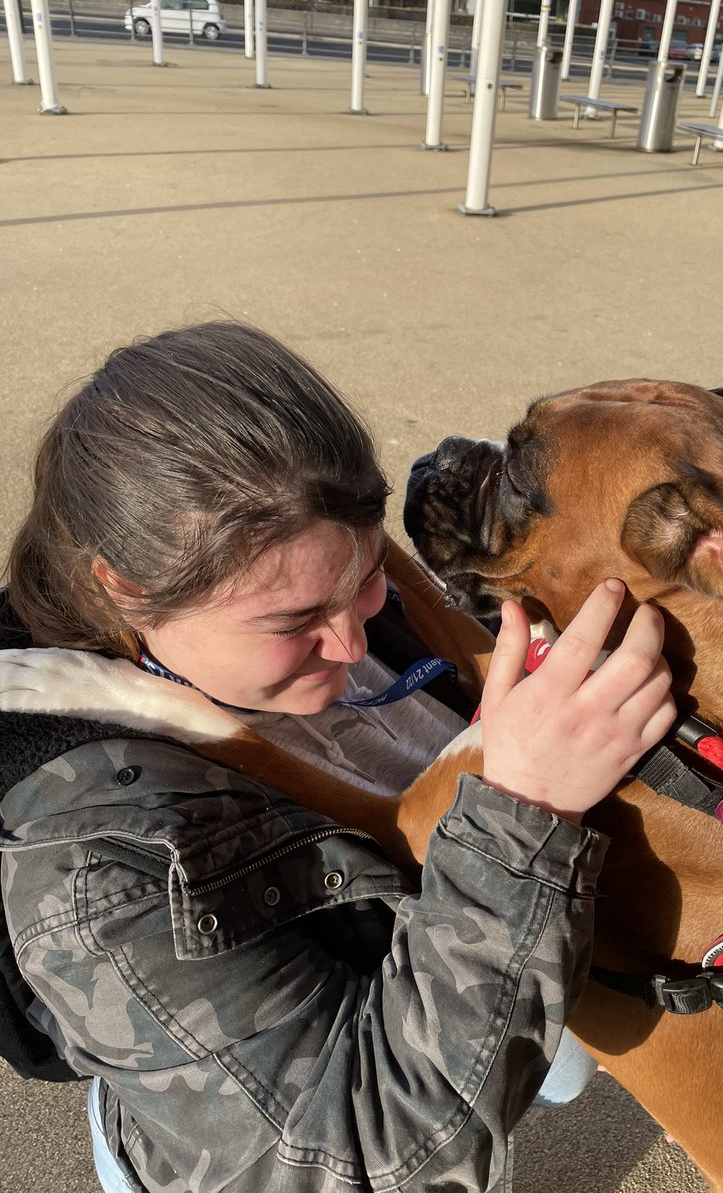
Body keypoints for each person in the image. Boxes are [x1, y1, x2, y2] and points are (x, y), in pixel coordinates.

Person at [0, 322, 676, 1193]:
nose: (354, 638)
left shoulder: (306, 570)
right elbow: (360, 1158)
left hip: (451, 1016)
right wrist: (526, 814)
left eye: (366, 574)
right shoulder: (94, 870)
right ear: (123, 590)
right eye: (291, 624)